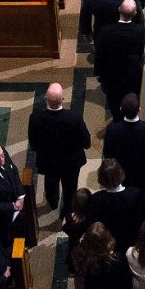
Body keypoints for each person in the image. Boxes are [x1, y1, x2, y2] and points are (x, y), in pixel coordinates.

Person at [28, 82, 90, 221]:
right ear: (62, 99)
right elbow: (86, 143)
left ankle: (53, 202)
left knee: (50, 183)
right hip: (71, 164)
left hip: (49, 163)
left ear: (46, 99)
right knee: (70, 188)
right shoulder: (74, 118)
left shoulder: (36, 118)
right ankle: (67, 210)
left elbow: (33, 144)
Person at [93, 0, 145, 121]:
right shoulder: (139, 30)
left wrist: (98, 73)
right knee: (131, 98)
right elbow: (139, 51)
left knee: (113, 101)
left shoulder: (106, 31)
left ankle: (117, 120)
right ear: (135, 13)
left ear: (119, 10)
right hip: (131, 74)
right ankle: (130, 118)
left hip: (111, 74)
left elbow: (100, 54)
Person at [103, 93, 145, 190]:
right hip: (144, 176)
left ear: (121, 109)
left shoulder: (112, 130)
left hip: (121, 175)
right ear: (139, 110)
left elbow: (107, 153)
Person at [87, 159, 144, 252]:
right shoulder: (135, 194)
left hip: (106, 243)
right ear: (121, 174)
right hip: (129, 240)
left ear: (100, 178)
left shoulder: (96, 199)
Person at [71, 222, 132, 289]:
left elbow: (79, 282)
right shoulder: (117, 259)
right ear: (107, 238)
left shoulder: (82, 258)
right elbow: (127, 284)